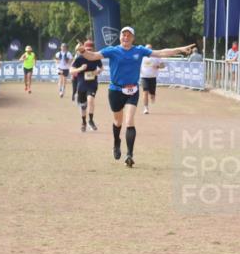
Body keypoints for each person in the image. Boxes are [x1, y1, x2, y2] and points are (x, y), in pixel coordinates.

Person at [79, 26, 194, 167]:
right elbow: (93, 56)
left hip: (132, 90)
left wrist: (179, 49)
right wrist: (82, 51)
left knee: (129, 121)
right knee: (117, 122)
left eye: (128, 35)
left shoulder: (139, 50)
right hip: (115, 90)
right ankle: (116, 142)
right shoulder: (112, 50)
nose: (126, 37)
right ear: (120, 37)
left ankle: (129, 155)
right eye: (123, 35)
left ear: (133, 38)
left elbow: (160, 53)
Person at [71, 40, 102, 132]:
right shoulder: (79, 58)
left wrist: (98, 72)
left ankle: (91, 120)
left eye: (90, 49)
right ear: (83, 49)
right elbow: (71, 71)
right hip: (81, 85)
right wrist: (80, 68)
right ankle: (84, 122)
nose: (88, 51)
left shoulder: (95, 57)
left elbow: (101, 68)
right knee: (83, 106)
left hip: (92, 84)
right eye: (87, 49)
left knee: (90, 100)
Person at [139, 45, 165, 114]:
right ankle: (146, 108)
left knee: (152, 94)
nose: (147, 50)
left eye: (149, 49)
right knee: (145, 92)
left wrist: (157, 66)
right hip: (144, 77)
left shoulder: (156, 56)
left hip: (153, 77)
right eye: (146, 49)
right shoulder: (141, 56)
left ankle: (152, 95)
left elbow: (163, 65)